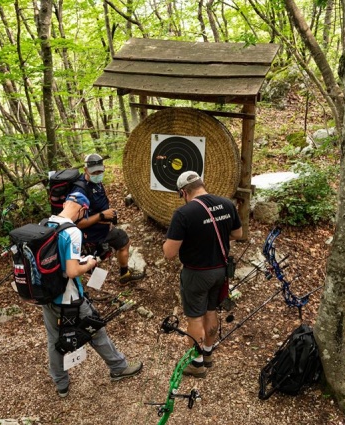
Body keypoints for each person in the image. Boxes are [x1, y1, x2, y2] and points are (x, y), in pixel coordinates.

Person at [42, 192, 143, 397]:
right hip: (69, 298)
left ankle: (61, 384)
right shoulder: (72, 232)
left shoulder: (46, 224)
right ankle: (118, 367)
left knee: (53, 339)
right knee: (96, 330)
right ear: (82, 210)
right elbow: (71, 272)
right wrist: (89, 263)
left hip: (47, 296)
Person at [162, 171, 242, 378]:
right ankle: (208, 354)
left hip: (196, 274)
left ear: (183, 192)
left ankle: (196, 364)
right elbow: (237, 234)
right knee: (211, 311)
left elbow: (169, 253)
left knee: (195, 318)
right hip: (220, 271)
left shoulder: (184, 214)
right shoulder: (226, 204)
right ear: (201, 184)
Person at [72, 153, 145, 285]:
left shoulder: (96, 183)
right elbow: (77, 224)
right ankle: (97, 291)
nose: (98, 174)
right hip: (91, 235)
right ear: (85, 170)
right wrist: (101, 216)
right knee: (93, 262)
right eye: (94, 172)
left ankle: (122, 275)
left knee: (120, 243)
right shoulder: (80, 191)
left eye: (100, 171)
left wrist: (107, 220)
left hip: (102, 230)